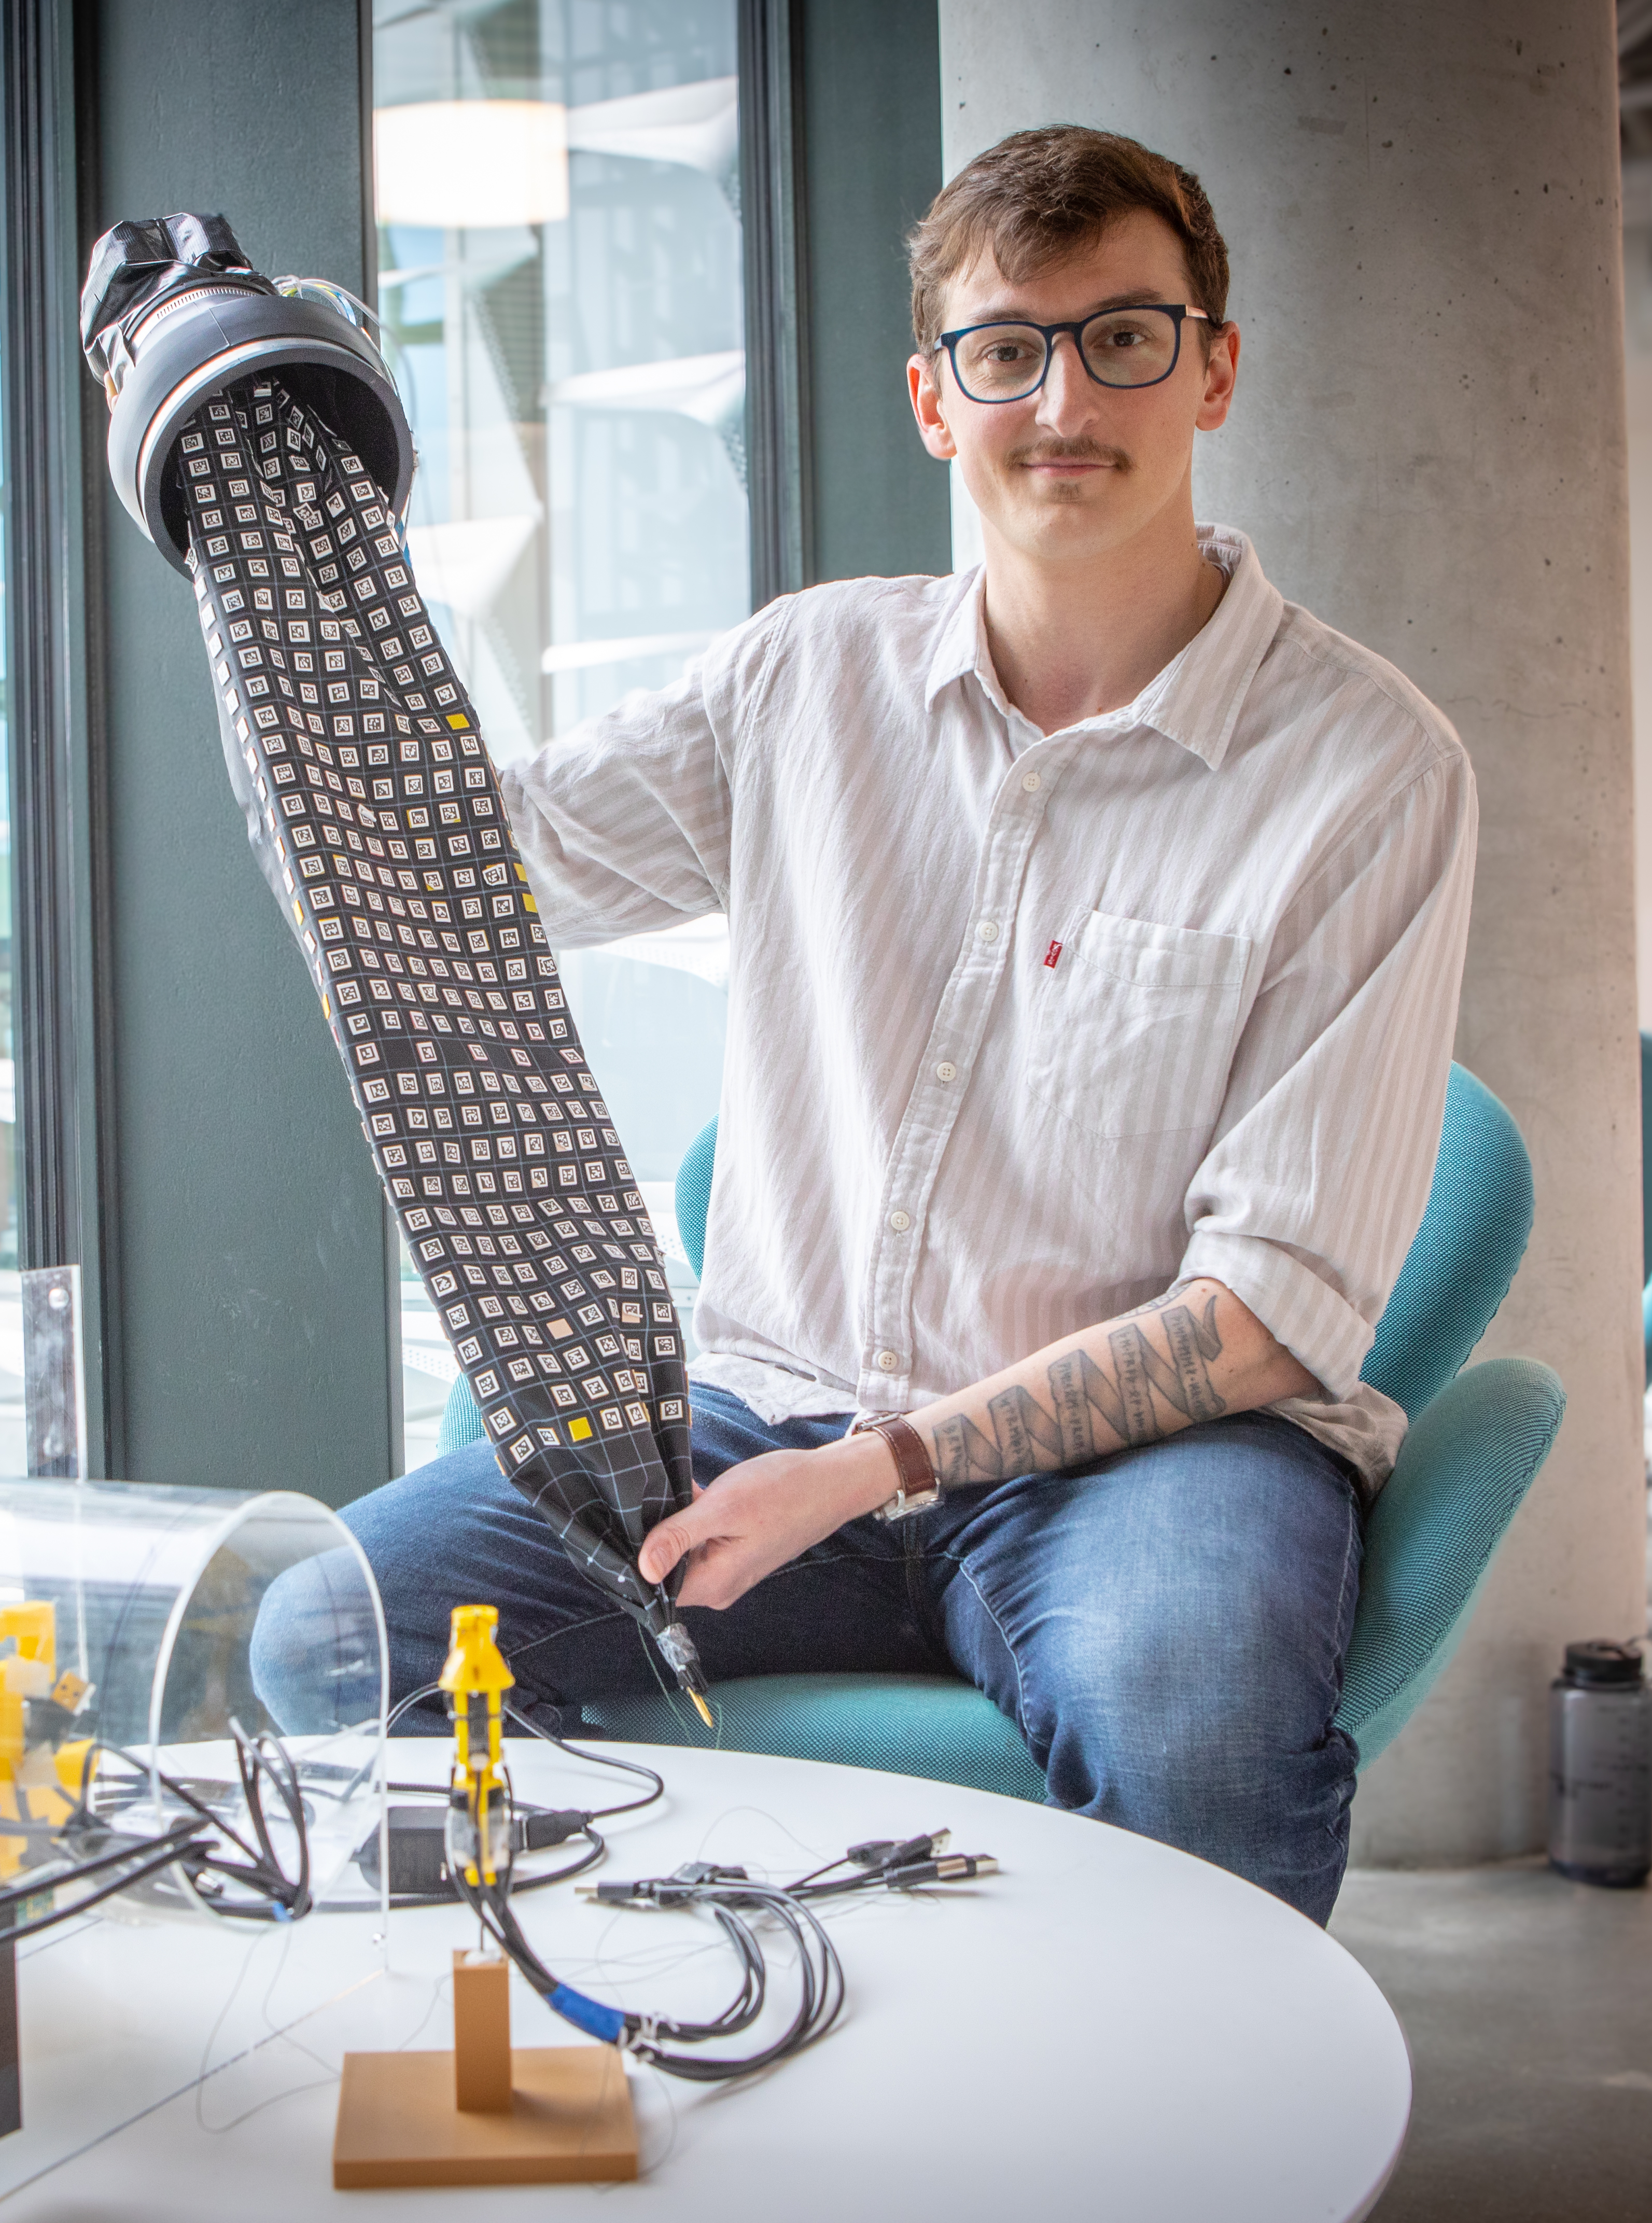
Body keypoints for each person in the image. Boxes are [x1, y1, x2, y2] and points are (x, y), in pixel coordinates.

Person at [335, 125, 1475, 1924]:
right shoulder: (805, 677)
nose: (1060, 399)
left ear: (1214, 369)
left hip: (1144, 1460)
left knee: (1188, 1718)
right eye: (1004, 348)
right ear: (936, 400)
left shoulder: (1365, 766)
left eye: (1123, 337)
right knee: (339, 1629)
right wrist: (287, 556)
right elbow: (474, 867)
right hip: (766, 1407)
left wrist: (870, 1472)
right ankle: (615, 2060)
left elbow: (1264, 1319)